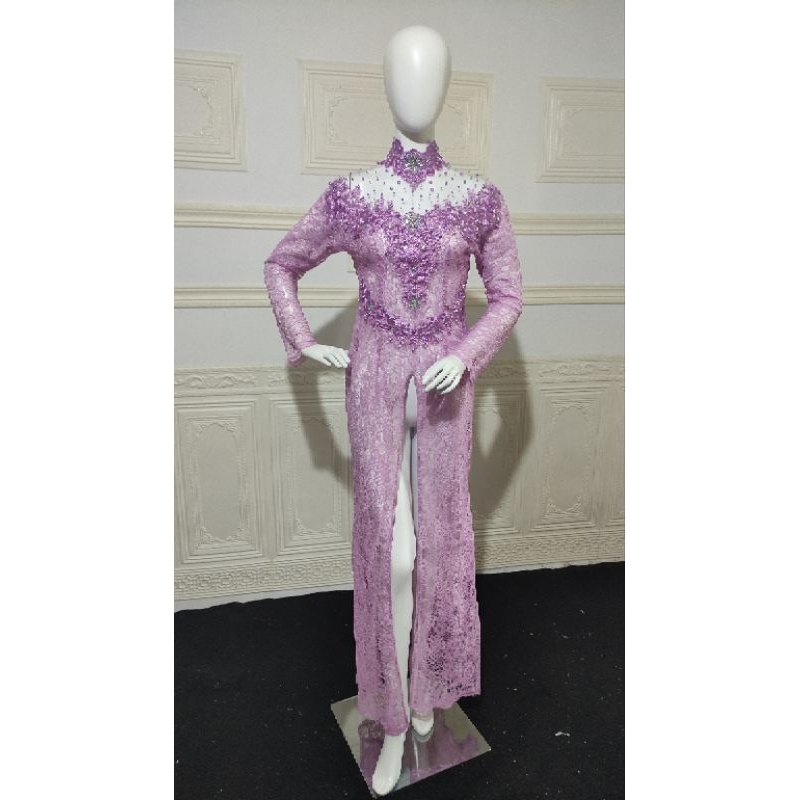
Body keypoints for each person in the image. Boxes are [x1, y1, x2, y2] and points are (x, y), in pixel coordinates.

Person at [264, 25, 522, 795]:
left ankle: (430, 701)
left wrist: (466, 354)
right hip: (374, 381)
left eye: (432, 72)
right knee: (393, 552)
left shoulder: (478, 198)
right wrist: (303, 340)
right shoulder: (352, 194)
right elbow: (282, 263)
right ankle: (391, 715)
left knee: (441, 543)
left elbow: (507, 296)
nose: (419, 87)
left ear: (448, 84)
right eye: (406, 73)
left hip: (443, 390)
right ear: (385, 83)